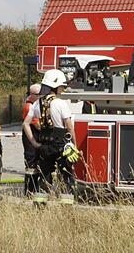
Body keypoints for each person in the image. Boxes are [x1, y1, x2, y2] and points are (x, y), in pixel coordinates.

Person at [23, 69, 81, 206]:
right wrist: (75, 146)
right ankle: (67, 206)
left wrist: (34, 143)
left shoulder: (37, 103)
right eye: (61, 86)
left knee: (44, 177)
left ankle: (39, 206)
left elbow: (26, 124)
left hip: (44, 146)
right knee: (67, 176)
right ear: (55, 86)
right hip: (61, 145)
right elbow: (69, 127)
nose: (62, 88)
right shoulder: (61, 103)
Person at [22, 83, 42, 197]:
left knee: (34, 164)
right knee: (31, 163)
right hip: (31, 136)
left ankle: (33, 188)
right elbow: (37, 125)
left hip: (32, 134)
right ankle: (29, 191)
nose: (40, 96)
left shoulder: (33, 103)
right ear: (32, 95)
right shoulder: (30, 106)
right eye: (38, 94)